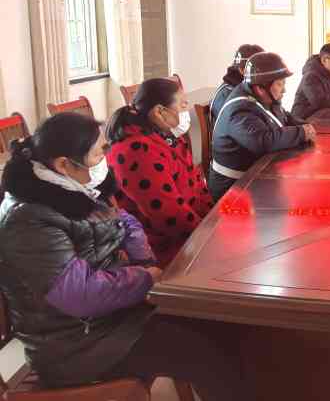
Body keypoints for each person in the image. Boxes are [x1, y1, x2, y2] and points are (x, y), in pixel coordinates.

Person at [0, 113, 249, 400]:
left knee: (214, 324)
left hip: (113, 319)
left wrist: (145, 264)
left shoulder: (71, 186)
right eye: (98, 154)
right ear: (64, 164)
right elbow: (77, 294)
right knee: (207, 352)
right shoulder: (28, 220)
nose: (105, 160)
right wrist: (145, 278)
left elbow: (124, 221)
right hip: (76, 346)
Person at [107, 77, 214, 267]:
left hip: (190, 233)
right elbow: (168, 215)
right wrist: (208, 238)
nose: (186, 110)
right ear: (159, 111)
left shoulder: (166, 136)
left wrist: (214, 221)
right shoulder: (135, 151)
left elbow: (198, 185)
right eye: (182, 105)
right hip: (159, 247)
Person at [209, 51, 316, 201]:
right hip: (233, 189)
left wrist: (304, 125)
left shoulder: (263, 97)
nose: (284, 89)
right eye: (280, 84)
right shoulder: (239, 110)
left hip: (257, 177)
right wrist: (301, 133)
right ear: (260, 87)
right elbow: (263, 141)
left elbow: (283, 116)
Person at [291, 43, 330, 119]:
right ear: (324, 60)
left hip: (320, 118)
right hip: (302, 121)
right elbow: (321, 103)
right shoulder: (311, 76)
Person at [210, 43, 264, 123]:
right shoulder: (227, 97)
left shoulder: (247, 88)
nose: (265, 74)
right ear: (242, 70)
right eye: (260, 69)